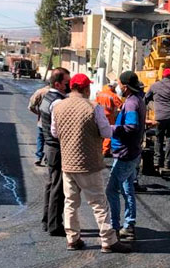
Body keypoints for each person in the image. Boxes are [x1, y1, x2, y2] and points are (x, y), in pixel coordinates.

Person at [51, 74, 131, 253]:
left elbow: (54, 133)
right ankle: (108, 241)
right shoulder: (93, 107)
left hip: (68, 163)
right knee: (99, 203)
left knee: (71, 202)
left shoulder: (58, 106)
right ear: (85, 89)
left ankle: (73, 239)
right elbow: (106, 132)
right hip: (89, 163)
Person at [106, 71, 147, 240]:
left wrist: (111, 129)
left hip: (126, 153)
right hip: (132, 151)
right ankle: (129, 225)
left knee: (111, 190)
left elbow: (131, 126)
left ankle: (115, 227)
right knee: (127, 189)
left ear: (125, 86)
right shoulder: (137, 100)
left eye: (119, 84)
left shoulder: (131, 104)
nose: (118, 87)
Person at [39, 67, 71, 236]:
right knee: (58, 188)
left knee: (51, 186)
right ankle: (54, 225)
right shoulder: (58, 102)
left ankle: (47, 220)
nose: (70, 85)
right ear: (58, 84)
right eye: (67, 83)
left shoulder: (48, 97)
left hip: (50, 148)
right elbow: (58, 130)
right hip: (57, 148)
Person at [145, 68, 170, 169]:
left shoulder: (154, 86)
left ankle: (157, 161)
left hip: (160, 117)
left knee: (159, 138)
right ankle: (168, 163)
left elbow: (145, 99)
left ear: (162, 76)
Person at [96, 80, 124, 156]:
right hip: (109, 116)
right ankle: (105, 151)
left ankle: (99, 149)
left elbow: (95, 104)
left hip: (99, 115)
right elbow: (122, 106)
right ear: (113, 87)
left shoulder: (100, 94)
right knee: (108, 133)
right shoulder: (113, 95)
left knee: (99, 132)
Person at [29, 83, 52, 166]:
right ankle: (49, 158)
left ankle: (38, 157)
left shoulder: (40, 92)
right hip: (54, 123)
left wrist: (39, 113)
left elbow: (31, 107)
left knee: (41, 139)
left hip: (42, 122)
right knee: (51, 141)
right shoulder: (60, 94)